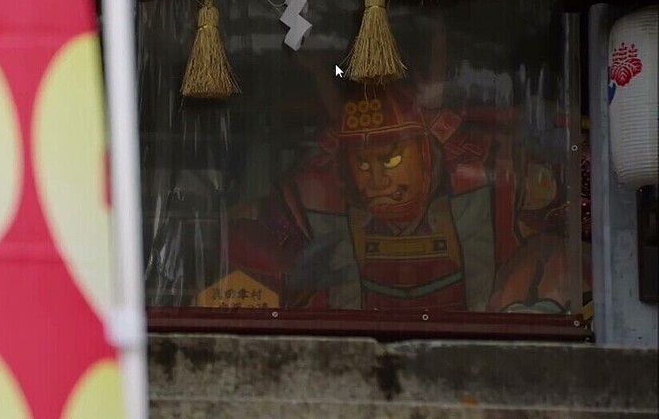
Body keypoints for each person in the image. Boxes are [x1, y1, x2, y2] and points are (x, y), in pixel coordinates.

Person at [226, 84, 571, 313]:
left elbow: (574, 235)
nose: (376, 180)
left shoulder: (492, 186)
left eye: (391, 159)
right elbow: (242, 241)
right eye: (363, 163)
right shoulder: (311, 198)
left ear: (426, 153)